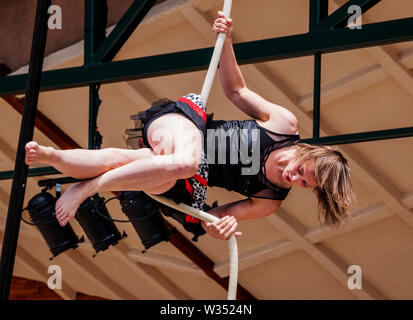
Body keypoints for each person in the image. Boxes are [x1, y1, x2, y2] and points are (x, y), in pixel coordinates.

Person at [24, 12, 354, 241]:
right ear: (309, 153)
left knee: (126, 161)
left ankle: (54, 156)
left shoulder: (269, 201)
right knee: (187, 160)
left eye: (304, 185)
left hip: (186, 178)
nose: (293, 179)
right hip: (183, 128)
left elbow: (216, 217)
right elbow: (236, 91)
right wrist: (225, 42)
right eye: (302, 171)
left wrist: (219, 227)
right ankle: (86, 188)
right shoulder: (284, 124)